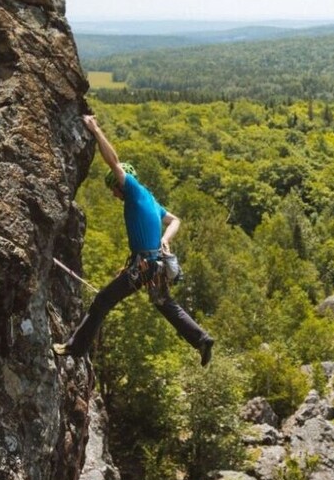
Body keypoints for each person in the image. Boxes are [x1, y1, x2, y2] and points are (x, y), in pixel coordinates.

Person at [53, 115, 214, 366]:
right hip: (155, 263)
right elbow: (176, 220)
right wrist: (165, 240)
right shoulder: (150, 199)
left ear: (121, 185)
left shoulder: (135, 191)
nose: (115, 195)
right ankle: (201, 339)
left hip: (145, 266)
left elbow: (113, 161)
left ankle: (74, 348)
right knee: (164, 302)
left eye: (114, 190)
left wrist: (96, 130)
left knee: (102, 300)